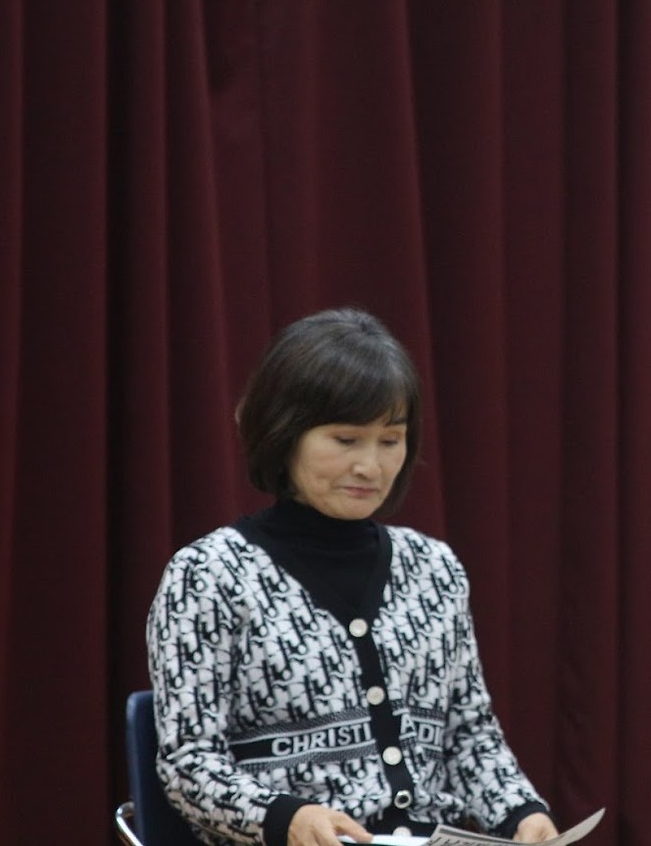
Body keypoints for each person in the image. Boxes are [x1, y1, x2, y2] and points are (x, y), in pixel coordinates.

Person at [146, 308, 560, 846]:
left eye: (391, 440)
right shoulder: (209, 575)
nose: (371, 466)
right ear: (283, 433)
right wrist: (287, 817)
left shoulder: (434, 568)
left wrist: (522, 813)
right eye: (346, 440)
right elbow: (189, 762)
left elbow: (468, 735)